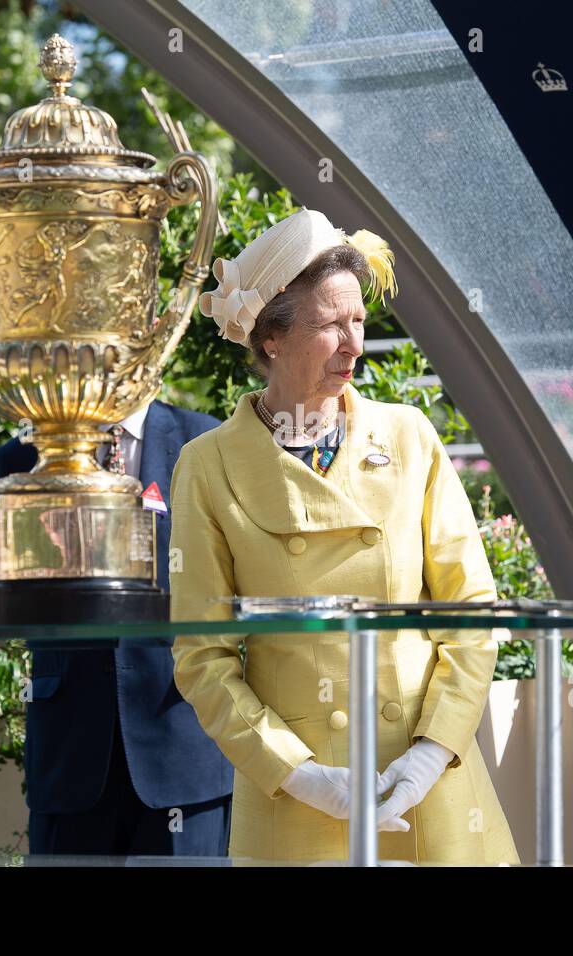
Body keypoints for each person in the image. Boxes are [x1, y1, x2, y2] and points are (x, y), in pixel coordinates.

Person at [169, 209, 518, 863]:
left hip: (429, 788)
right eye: (331, 324)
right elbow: (202, 658)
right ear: (272, 336)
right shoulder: (209, 465)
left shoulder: (409, 437)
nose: (355, 345)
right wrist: (300, 776)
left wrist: (430, 753)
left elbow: (472, 612)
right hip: (295, 806)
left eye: (359, 321)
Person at [0, 398, 233, 856]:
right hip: (70, 747)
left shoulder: (207, 441)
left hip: (183, 739)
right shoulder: (24, 454)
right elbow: (19, 601)